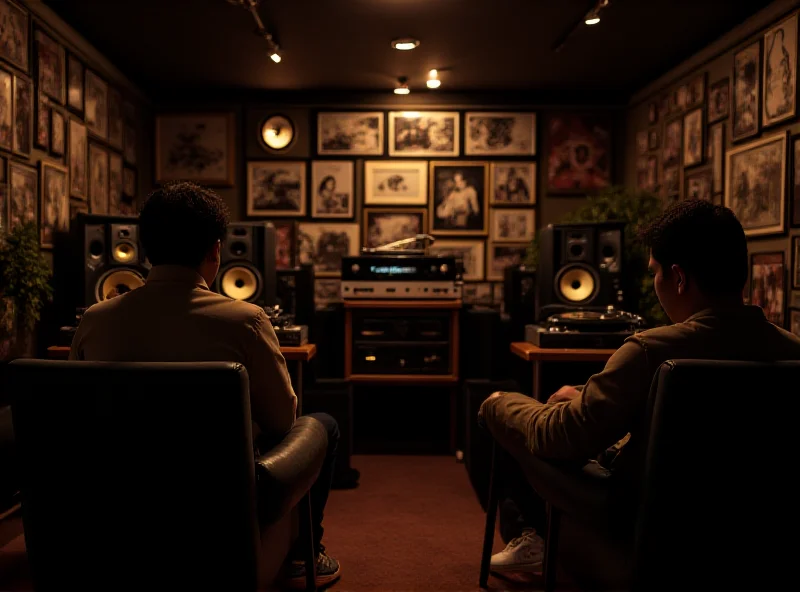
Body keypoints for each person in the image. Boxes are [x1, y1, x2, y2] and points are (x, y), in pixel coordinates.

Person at [479, 199, 800, 574]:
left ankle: (530, 533)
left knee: (509, 414)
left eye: (655, 273)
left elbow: (563, 436)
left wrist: (503, 404)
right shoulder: (792, 351)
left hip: (634, 512)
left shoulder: (648, 350)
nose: (655, 283)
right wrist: (585, 396)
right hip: (747, 523)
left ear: (678, 278)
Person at [69, 181, 341, 589]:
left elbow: (78, 413)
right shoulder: (246, 320)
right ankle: (306, 554)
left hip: (119, 495)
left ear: (144, 250)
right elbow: (282, 421)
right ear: (215, 251)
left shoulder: (94, 319)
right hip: (219, 500)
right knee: (324, 425)